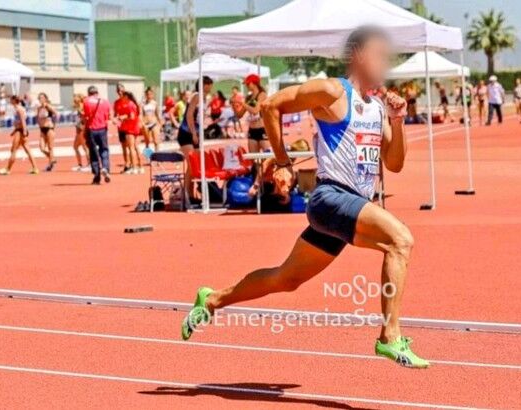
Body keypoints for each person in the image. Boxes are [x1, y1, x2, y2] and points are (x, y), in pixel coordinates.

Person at [180, 26, 429, 368]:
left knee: (286, 279)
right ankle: (390, 337)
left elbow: (395, 164)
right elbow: (270, 106)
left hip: (351, 207)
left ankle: (211, 300)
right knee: (400, 241)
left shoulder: (377, 108)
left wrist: (398, 121)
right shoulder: (333, 92)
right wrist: (282, 161)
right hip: (331, 198)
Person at [178, 76, 214, 202]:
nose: (211, 87)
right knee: (192, 164)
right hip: (186, 133)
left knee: (196, 164)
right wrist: (193, 133)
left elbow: (199, 117)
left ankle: (191, 193)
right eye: (209, 85)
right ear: (204, 85)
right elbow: (189, 115)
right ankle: (187, 194)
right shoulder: (197, 96)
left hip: (196, 133)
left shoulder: (204, 98)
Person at [0, 95, 39, 175]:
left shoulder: (19, 109)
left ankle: (8, 169)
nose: (10, 101)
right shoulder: (17, 109)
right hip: (19, 130)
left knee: (13, 150)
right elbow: (19, 122)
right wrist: (14, 131)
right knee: (27, 150)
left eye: (11, 100)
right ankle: (35, 168)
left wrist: (24, 131)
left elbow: (23, 121)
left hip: (20, 132)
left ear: (14, 100)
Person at [83, 86, 112, 185]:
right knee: (104, 150)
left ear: (88, 93)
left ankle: (97, 176)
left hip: (92, 129)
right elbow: (108, 116)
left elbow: (86, 117)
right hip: (102, 128)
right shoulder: (105, 101)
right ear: (97, 92)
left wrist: (85, 130)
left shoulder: (86, 101)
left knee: (93, 152)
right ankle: (105, 168)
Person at [237, 74, 270, 152]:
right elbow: (239, 115)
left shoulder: (262, 94)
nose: (246, 86)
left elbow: (255, 111)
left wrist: (243, 104)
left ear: (254, 83)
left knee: (267, 156)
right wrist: (234, 105)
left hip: (262, 129)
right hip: (252, 130)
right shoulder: (248, 97)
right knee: (253, 157)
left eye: (248, 84)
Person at [114, 90, 143, 174]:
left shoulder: (130, 104)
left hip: (130, 128)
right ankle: (139, 166)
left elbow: (132, 117)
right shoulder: (132, 104)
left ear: (126, 96)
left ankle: (134, 167)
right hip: (132, 127)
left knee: (131, 148)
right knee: (134, 147)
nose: (121, 97)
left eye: (123, 96)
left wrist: (123, 117)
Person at [37, 92, 58, 172]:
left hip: (49, 128)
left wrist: (54, 125)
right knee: (42, 148)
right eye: (39, 98)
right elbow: (38, 118)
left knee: (50, 147)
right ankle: (52, 158)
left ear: (45, 98)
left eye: (42, 98)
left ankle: (50, 165)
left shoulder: (48, 106)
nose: (40, 99)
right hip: (42, 129)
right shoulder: (39, 108)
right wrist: (39, 124)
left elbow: (56, 114)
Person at [71, 94, 90, 172]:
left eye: (76, 97)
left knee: (85, 147)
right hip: (78, 129)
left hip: (82, 129)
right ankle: (80, 164)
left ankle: (90, 164)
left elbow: (85, 117)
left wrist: (84, 127)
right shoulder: (77, 107)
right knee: (75, 146)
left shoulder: (82, 106)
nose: (74, 99)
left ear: (79, 98)